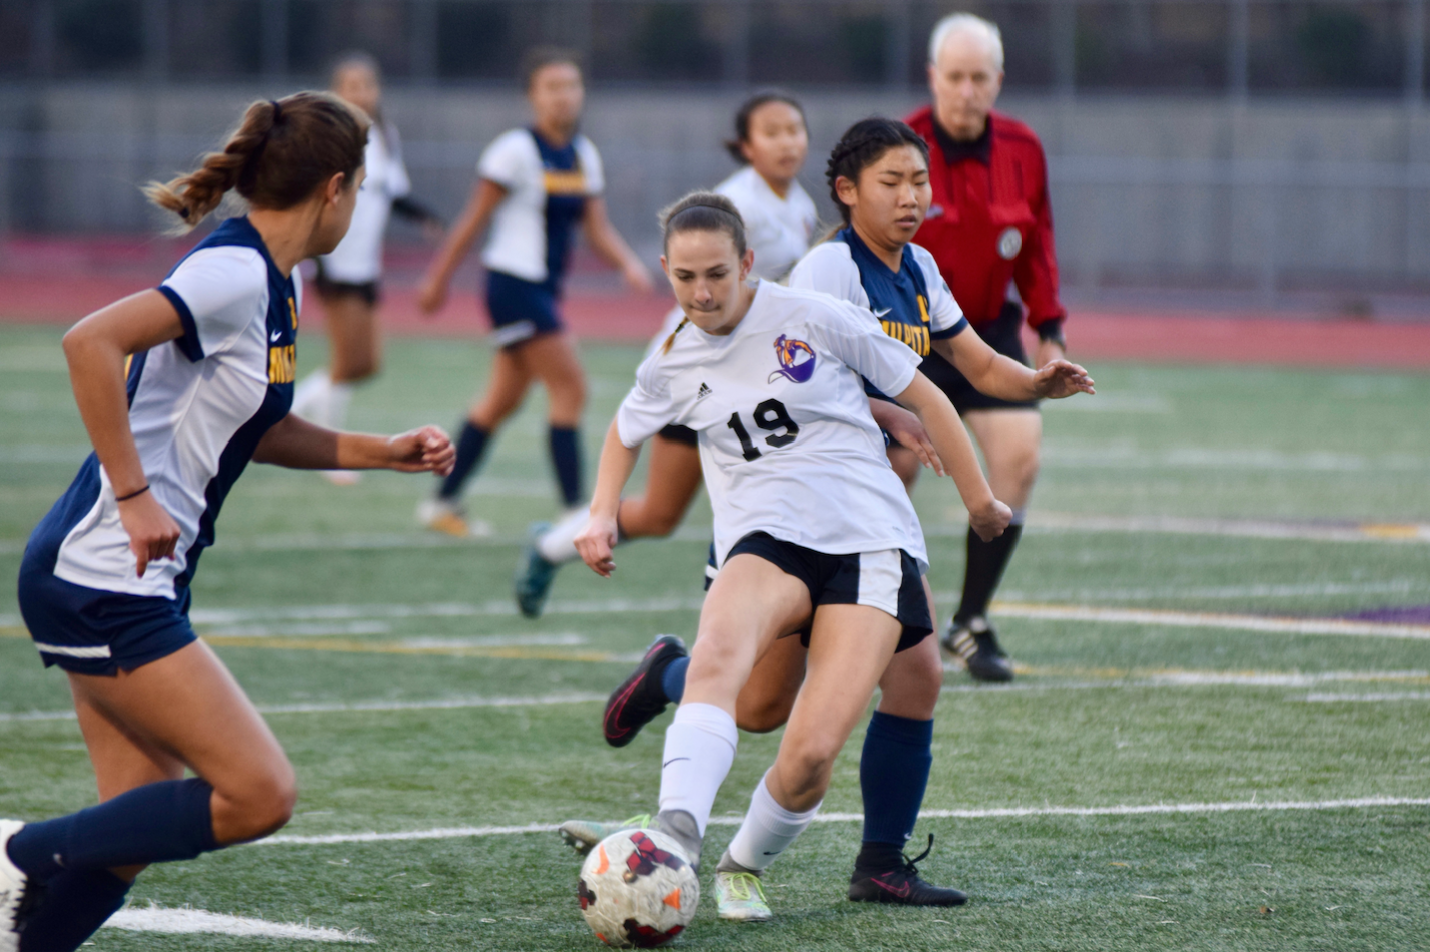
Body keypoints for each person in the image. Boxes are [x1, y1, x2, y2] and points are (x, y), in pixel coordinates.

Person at [564, 121, 1093, 920]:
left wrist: (977, 473)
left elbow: (932, 381)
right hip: (767, 537)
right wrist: (601, 512)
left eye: (920, 180)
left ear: (747, 265)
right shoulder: (727, 321)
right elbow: (628, 427)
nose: (701, 294)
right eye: (683, 278)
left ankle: (764, 862)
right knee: (740, 687)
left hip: (866, 536)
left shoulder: (864, 286)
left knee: (814, 743)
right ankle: (678, 832)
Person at [0, 93, 455, 952]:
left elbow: (256, 427)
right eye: (359, 189)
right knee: (257, 793)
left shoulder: (269, 281)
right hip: (103, 577)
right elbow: (89, 342)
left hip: (107, 577)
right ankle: (19, 850)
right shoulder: (236, 271)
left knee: (127, 835)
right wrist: (135, 498)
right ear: (335, 189)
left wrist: (379, 450)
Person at [513, 89, 819, 617]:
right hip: (697, 375)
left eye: (794, 130)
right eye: (771, 132)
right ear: (745, 145)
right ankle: (549, 547)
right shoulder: (736, 204)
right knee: (659, 514)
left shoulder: (801, 205)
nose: (787, 142)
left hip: (756, 376)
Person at [415, 47, 652, 537]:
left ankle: (441, 503)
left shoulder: (584, 153)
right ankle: (573, 514)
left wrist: (628, 262)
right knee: (572, 387)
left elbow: (597, 228)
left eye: (571, 85)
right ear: (532, 96)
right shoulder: (514, 151)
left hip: (542, 289)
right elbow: (472, 219)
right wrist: (437, 278)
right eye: (552, 87)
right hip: (512, 285)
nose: (564, 96)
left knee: (500, 402)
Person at [907, 13, 1071, 681]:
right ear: (933, 78)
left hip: (986, 333)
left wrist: (1050, 325)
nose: (967, 91)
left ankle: (969, 621)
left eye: (980, 78)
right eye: (955, 77)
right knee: (894, 468)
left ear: (997, 81)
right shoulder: (901, 146)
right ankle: (881, 612)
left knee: (1019, 459)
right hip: (908, 333)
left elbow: (1038, 245)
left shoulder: (1024, 148)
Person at [291, 52, 443, 485]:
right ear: (335, 91)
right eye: (350, 84)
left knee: (366, 363)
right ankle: (317, 446)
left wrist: (426, 218)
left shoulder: (384, 136)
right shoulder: (328, 137)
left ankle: (290, 415)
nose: (360, 92)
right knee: (346, 361)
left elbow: (392, 192)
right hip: (336, 262)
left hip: (366, 266)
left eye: (367, 84)